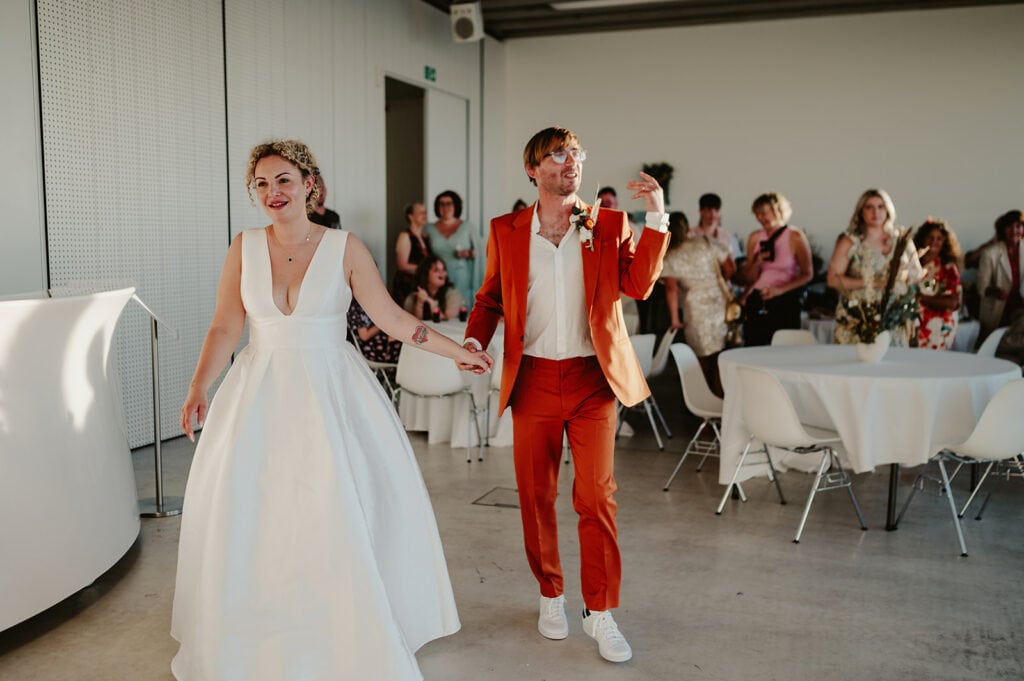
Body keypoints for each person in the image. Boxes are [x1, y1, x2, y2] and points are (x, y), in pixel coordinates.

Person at [172, 139, 491, 681]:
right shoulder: (243, 246)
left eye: (284, 180)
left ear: (309, 185)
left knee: (335, 505)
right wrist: (199, 386)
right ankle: (259, 625)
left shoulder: (345, 247)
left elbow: (392, 319)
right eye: (261, 184)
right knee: (256, 509)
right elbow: (225, 325)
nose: (273, 192)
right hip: (258, 395)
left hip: (330, 392)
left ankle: (341, 626)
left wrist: (456, 351)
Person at [461, 126, 669, 664]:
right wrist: (473, 341)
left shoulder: (610, 224)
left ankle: (600, 611)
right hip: (531, 378)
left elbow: (639, 285)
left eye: (574, 152)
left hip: (591, 380)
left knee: (596, 497)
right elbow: (489, 299)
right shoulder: (505, 230)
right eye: (556, 154)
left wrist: (656, 218)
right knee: (536, 497)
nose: (569, 161)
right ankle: (550, 593)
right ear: (532, 170)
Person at [827, 189, 923, 346]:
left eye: (880, 206)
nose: (875, 212)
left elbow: (917, 275)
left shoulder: (901, 239)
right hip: (861, 316)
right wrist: (873, 282)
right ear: (861, 212)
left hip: (894, 315)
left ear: (888, 210)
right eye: (869, 207)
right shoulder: (851, 241)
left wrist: (905, 275)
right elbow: (833, 279)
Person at [661, 210, 734, 396]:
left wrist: (675, 319)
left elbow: (671, 289)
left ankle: (703, 399)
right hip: (719, 302)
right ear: (687, 226)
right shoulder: (705, 242)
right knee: (720, 355)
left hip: (694, 307)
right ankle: (721, 399)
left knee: (701, 356)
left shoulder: (670, 256)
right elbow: (730, 268)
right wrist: (717, 283)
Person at [736, 192, 814, 346]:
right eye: (757, 214)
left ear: (778, 211)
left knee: (783, 347)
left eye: (764, 213)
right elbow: (749, 278)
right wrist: (758, 261)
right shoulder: (755, 237)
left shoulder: (795, 236)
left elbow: (808, 274)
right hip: (758, 298)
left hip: (784, 299)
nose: (761, 218)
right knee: (754, 345)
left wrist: (780, 290)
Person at [913, 218, 963, 350]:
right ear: (922, 239)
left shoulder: (948, 268)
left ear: (944, 242)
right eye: (930, 237)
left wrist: (921, 298)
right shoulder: (913, 263)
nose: (934, 241)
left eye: (939, 238)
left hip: (937, 327)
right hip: (913, 324)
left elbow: (953, 302)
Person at [425, 190, 478, 311]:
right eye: (441, 204)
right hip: (438, 277)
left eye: (449, 203)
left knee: (461, 309)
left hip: (461, 276)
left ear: (456, 206)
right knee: (440, 309)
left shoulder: (467, 226)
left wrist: (468, 253)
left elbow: (482, 252)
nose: (445, 207)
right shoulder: (429, 228)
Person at [977, 209, 1024, 340]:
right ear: (1003, 229)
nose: (1014, 231)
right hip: (997, 310)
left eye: (1018, 226)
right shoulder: (989, 253)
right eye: (1010, 226)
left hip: (1019, 308)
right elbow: (981, 287)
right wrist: (995, 291)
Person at [391, 201, 432, 305]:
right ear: (411, 216)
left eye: (425, 212)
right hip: (406, 286)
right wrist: (427, 269)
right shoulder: (405, 236)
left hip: (421, 285)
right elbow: (402, 265)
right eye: (421, 213)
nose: (425, 215)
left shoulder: (425, 237)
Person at [402, 255, 466, 320]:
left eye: (444, 269)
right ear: (425, 274)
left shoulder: (452, 294)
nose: (442, 273)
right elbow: (414, 322)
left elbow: (449, 321)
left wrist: (431, 302)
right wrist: (419, 303)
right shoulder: (413, 297)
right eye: (436, 270)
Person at [347, 297, 402, 364]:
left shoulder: (367, 301)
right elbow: (364, 336)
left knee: (399, 334)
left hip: (380, 338)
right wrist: (383, 322)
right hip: (372, 347)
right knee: (398, 340)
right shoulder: (355, 308)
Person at [691, 192, 742, 261]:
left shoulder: (726, 236)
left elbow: (732, 260)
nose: (713, 214)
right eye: (709, 210)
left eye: (716, 210)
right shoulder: (691, 234)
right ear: (700, 211)